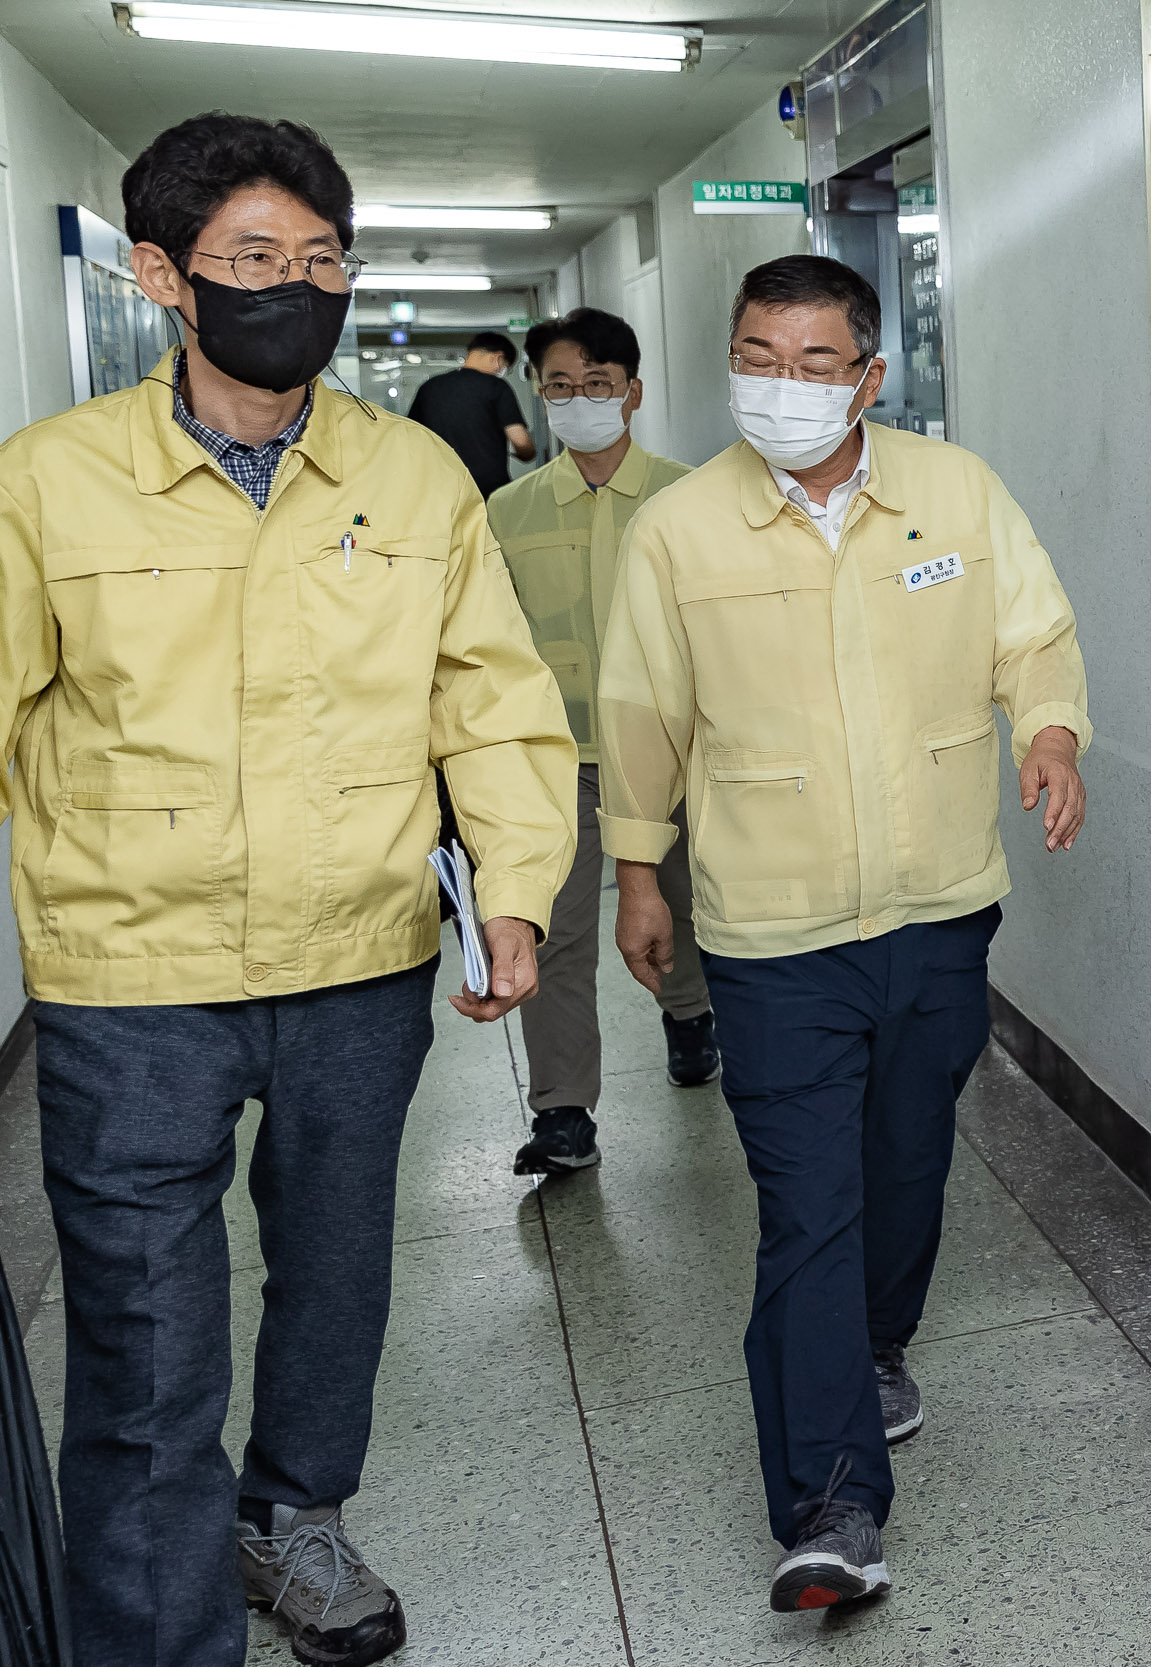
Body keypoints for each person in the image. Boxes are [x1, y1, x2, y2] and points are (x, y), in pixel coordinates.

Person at [0, 113, 576, 1667]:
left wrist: (514, 883)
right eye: (255, 258)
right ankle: (154, 1632)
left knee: (335, 1280)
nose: (295, 288)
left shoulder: (409, 475)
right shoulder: (46, 486)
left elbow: (495, 699)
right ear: (162, 277)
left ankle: (293, 1513)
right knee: (143, 1344)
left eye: (323, 261)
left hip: (355, 959)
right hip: (133, 980)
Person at [597, 254, 1088, 1616]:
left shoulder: (957, 493)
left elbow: (1033, 636)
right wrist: (638, 872)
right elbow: (641, 713)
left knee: (909, 1159)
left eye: (818, 362)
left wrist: (1049, 731)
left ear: (871, 374)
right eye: (761, 354)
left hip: (937, 901)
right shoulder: (682, 531)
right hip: (767, 925)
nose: (785, 385)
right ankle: (832, 1501)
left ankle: (875, 1342)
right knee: (808, 1201)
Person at [488, 308, 716, 1175]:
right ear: (538, 395)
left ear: (633, 392)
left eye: (597, 384)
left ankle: (689, 1015)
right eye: (559, 385)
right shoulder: (506, 512)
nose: (579, 400)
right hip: (563, 763)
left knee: (687, 903)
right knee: (561, 932)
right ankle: (563, 1112)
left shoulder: (691, 498)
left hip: (681, 754)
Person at [407, 330, 536, 502]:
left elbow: (411, 437)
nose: (502, 371)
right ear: (497, 358)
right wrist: (527, 453)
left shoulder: (429, 387)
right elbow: (520, 440)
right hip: (489, 492)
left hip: (440, 490)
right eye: (506, 367)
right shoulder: (496, 387)